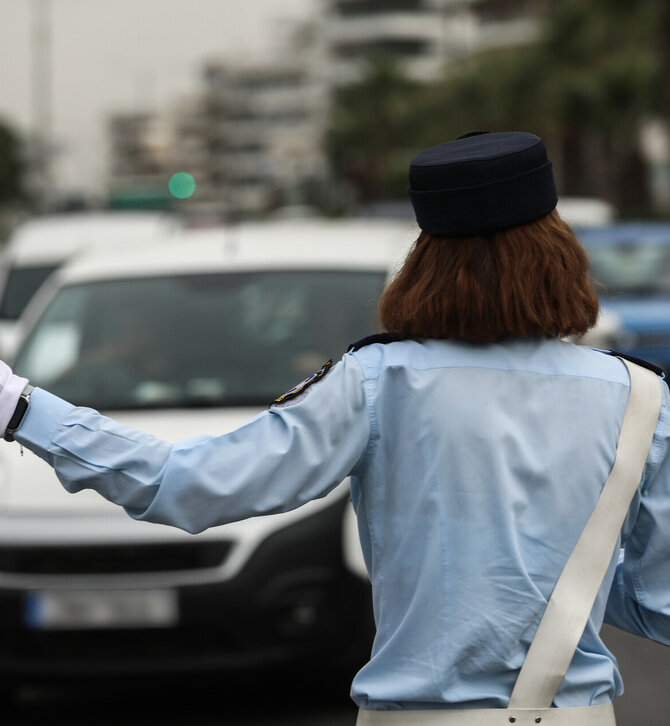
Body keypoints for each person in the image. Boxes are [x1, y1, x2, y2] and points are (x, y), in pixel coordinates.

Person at [1, 131, 669, 725]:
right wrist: (554, 572)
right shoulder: (640, 396)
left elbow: (185, 485)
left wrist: (22, 405)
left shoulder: (379, 383)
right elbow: (656, 602)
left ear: (425, 260)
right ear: (558, 252)